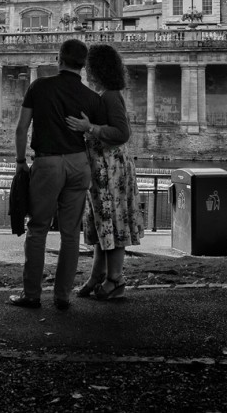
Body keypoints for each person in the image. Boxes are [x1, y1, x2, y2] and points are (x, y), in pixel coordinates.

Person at [11, 39, 107, 311]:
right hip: (79, 165)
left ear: (59, 59)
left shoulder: (39, 87)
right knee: (69, 234)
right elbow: (102, 134)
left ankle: (32, 295)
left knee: (38, 228)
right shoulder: (92, 98)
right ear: (83, 65)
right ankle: (62, 297)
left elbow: (21, 129)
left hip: (48, 164)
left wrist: (20, 162)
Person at [65, 43, 145, 301]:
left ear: (99, 69)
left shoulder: (110, 95)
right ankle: (96, 276)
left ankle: (115, 280)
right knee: (103, 226)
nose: (86, 71)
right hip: (102, 171)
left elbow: (122, 133)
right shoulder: (106, 94)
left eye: (89, 67)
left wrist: (90, 128)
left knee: (114, 224)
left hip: (112, 172)